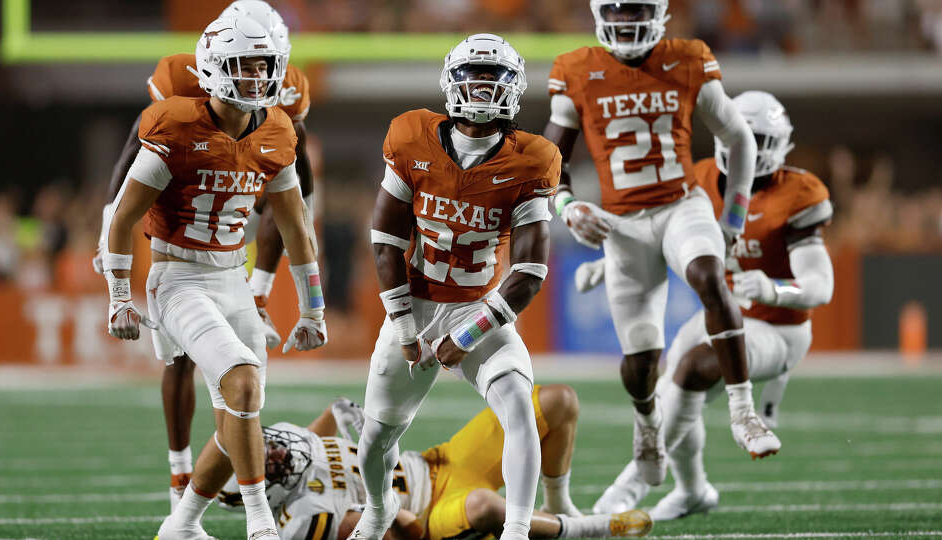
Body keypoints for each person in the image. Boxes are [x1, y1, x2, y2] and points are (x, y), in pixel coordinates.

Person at [102, 16, 326, 540]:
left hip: (232, 276)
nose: (256, 76)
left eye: (263, 65)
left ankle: (180, 525)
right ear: (213, 67)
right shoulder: (175, 123)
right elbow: (122, 216)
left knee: (238, 417)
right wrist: (118, 295)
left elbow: (295, 227)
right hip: (177, 275)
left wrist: (313, 307)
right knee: (242, 382)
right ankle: (260, 523)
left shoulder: (276, 128)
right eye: (243, 65)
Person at [542, 0, 776, 487]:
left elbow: (739, 139)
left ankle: (744, 411)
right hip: (622, 225)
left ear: (658, 13)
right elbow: (549, 162)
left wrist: (732, 220)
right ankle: (647, 423)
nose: (627, 21)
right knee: (642, 360)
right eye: (618, 11)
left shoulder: (687, 58)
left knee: (710, 277)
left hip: (680, 206)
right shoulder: (576, 69)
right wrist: (568, 208)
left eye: (636, 10)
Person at [589, 91, 834, 520]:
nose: (748, 147)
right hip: (721, 315)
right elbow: (654, 228)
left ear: (780, 146)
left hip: (778, 329)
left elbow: (820, 286)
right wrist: (610, 259)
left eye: (759, 139)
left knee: (694, 369)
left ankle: (626, 489)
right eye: (745, 136)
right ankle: (694, 490)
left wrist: (777, 290)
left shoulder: (799, 194)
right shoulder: (698, 177)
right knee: (668, 395)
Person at [356, 33, 560, 540]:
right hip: (418, 305)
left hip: (481, 308)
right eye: (473, 77)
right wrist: (404, 327)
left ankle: (515, 530)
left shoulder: (532, 159)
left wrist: (466, 336)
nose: (484, 89)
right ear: (452, 82)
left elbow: (530, 272)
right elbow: (385, 242)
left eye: (496, 80)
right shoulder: (411, 137)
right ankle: (379, 510)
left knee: (518, 405)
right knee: (377, 437)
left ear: (514, 90)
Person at [219, 386, 652, 540]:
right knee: (485, 508)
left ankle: (559, 503)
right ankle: (589, 529)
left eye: (267, 445)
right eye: (266, 459)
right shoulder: (299, 519)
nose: (274, 451)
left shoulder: (294, 446)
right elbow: (397, 531)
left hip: (436, 463)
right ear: (263, 488)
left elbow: (328, 421)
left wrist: (344, 412)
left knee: (558, 401)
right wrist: (394, 509)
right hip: (430, 516)